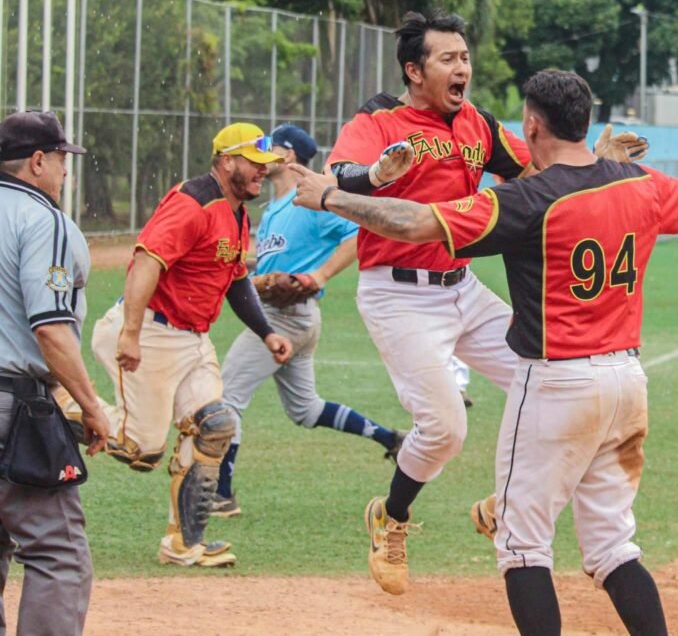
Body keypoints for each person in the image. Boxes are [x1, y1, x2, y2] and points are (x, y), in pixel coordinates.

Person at [294, 68, 678, 635]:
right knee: (612, 549)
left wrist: (330, 196)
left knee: (523, 549)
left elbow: (415, 222)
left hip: (557, 384)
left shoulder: (526, 200)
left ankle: (458, 509)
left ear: (531, 124)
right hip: (627, 382)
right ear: (587, 121)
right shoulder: (637, 182)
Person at [319, 10, 647, 595]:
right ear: (414, 70)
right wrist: (374, 173)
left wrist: (600, 156)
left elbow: (546, 168)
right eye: (448, 59)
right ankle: (390, 517)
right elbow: (338, 175)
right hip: (398, 295)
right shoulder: (380, 118)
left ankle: (509, 504)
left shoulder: (477, 124)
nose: (462, 68)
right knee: (445, 430)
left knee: (555, 380)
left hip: (462, 288)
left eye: (464, 57)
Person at [90, 123, 294, 568]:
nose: (262, 173)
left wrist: (267, 332)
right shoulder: (194, 203)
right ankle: (67, 403)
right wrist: (129, 332)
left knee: (215, 425)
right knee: (140, 451)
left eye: (266, 166)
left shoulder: (237, 211)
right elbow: (146, 260)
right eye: (254, 164)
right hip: (151, 331)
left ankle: (182, 544)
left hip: (192, 339)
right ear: (226, 162)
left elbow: (236, 279)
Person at [211, 124, 407, 518]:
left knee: (226, 397)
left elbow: (356, 235)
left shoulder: (308, 203)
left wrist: (319, 276)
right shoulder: (272, 211)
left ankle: (221, 494)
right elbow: (265, 264)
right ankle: (390, 437)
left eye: (270, 146)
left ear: (288, 155)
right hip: (291, 316)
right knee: (305, 409)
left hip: (284, 317)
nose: (263, 155)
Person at [0, 110, 110, 633]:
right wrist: (91, 405)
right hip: (11, 404)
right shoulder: (42, 219)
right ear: (38, 161)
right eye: (62, 159)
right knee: (58, 554)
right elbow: (50, 329)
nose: (66, 170)